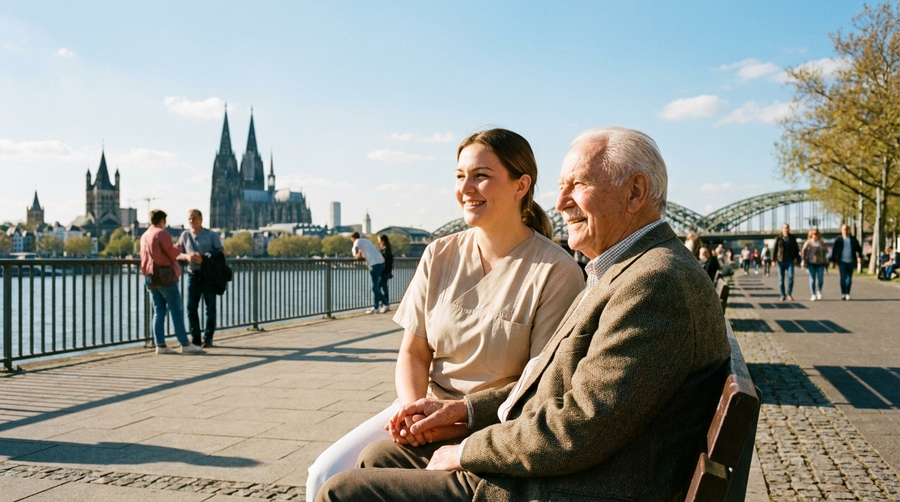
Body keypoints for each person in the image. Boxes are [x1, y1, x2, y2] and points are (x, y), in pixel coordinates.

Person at [316, 126, 731, 502]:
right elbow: (550, 385)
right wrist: (463, 411)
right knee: (378, 458)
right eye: (561, 187)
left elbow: (581, 426)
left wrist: (465, 449)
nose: (561, 202)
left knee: (341, 490)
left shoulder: (654, 283)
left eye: (578, 185)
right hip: (560, 461)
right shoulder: (627, 271)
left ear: (635, 192)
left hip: (570, 485)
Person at [306, 128, 585, 502]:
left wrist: (453, 419)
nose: (465, 188)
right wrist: (412, 412)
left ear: (521, 186)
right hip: (425, 410)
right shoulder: (439, 254)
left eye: (481, 176)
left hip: (492, 424)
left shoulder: (556, 271)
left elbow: (538, 389)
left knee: (355, 477)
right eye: (460, 176)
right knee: (325, 471)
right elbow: (413, 351)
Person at [139, 209, 204, 355]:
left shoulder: (144, 235)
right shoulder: (161, 233)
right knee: (176, 310)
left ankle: (160, 345)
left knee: (158, 311)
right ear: (162, 220)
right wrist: (179, 245)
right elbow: (173, 253)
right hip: (164, 276)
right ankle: (184, 343)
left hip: (150, 276)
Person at [177, 209, 224, 348]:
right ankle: (196, 339)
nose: (191, 221)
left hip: (208, 276)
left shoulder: (211, 234)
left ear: (201, 219)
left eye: (194, 218)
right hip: (193, 275)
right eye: (189, 218)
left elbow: (221, 252)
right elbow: (177, 253)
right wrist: (187, 257)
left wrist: (204, 258)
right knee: (191, 307)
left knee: (210, 307)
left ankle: (208, 338)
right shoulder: (185, 235)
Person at [350, 231, 388, 314]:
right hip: (381, 262)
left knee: (375, 288)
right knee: (376, 287)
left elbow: (355, 253)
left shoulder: (357, 242)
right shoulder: (366, 241)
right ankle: (376, 307)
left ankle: (385, 303)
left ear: (352, 238)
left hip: (375, 264)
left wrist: (357, 255)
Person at [830, 224, 863, 300]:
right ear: (841, 230)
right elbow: (834, 251)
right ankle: (843, 293)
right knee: (843, 277)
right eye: (844, 229)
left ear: (849, 230)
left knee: (849, 278)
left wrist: (860, 257)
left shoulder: (853, 239)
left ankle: (847, 293)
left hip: (850, 261)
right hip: (841, 261)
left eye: (846, 229)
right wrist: (833, 261)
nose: (845, 231)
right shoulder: (838, 240)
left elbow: (858, 249)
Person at [773, 223, 800, 301]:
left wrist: (798, 260)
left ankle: (789, 294)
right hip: (780, 260)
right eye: (784, 228)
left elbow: (796, 250)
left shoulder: (792, 238)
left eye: (787, 228)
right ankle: (782, 295)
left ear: (789, 229)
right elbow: (774, 249)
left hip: (790, 260)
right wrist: (773, 260)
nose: (786, 229)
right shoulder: (778, 238)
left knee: (790, 277)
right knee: (781, 279)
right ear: (782, 229)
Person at [801, 228, 827, 301]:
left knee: (820, 278)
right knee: (812, 279)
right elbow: (803, 251)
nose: (815, 236)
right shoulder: (808, 242)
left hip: (820, 263)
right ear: (811, 235)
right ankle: (813, 294)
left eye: (816, 234)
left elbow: (825, 251)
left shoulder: (821, 242)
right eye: (813, 234)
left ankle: (819, 291)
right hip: (811, 263)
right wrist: (804, 260)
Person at [376, 234, 394, 313]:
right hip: (385, 272)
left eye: (379, 240)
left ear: (382, 241)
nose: (378, 241)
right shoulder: (386, 249)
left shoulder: (385, 251)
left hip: (383, 271)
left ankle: (385, 304)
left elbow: (387, 262)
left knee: (378, 287)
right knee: (383, 287)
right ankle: (384, 304)